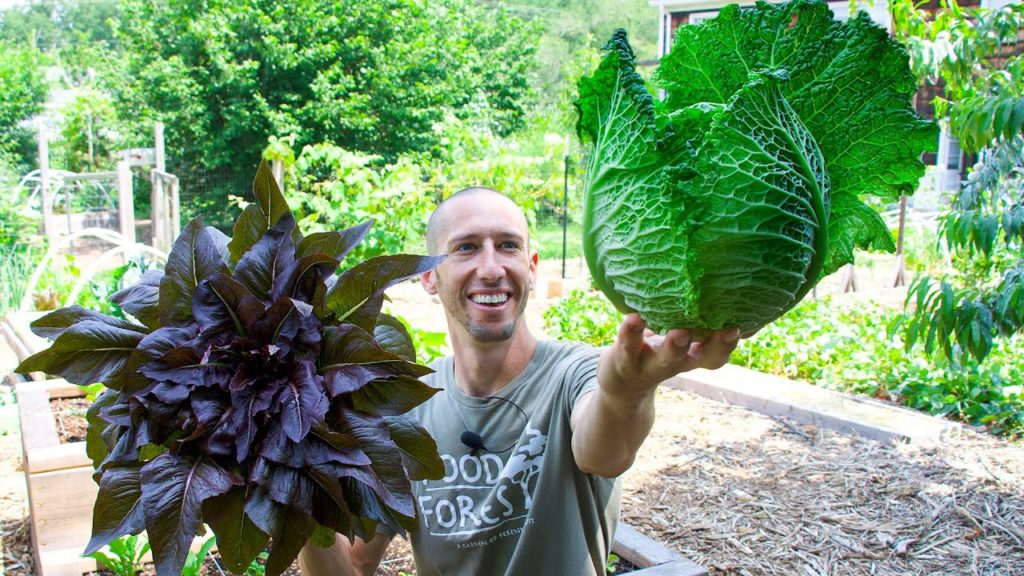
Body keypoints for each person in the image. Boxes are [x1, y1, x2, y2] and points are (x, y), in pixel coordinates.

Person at [299, 187, 741, 575]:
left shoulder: (575, 373)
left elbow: (604, 453)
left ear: (531, 266)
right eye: (466, 248)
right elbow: (355, 564)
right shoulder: (403, 405)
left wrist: (627, 392)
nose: (490, 268)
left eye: (507, 245)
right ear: (429, 277)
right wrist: (294, 490)